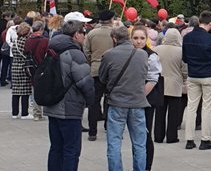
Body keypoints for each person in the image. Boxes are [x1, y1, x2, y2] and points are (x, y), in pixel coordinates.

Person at [44, 20, 94, 171]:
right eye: (83, 33)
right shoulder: (75, 54)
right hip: (69, 108)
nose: (85, 36)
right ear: (76, 34)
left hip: (52, 104)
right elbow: (85, 82)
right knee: (71, 150)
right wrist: (90, 101)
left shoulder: (52, 48)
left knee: (56, 148)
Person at [99, 26, 150, 171]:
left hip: (117, 103)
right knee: (140, 144)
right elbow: (144, 75)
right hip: (137, 103)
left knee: (114, 143)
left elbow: (102, 78)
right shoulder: (142, 55)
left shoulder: (109, 54)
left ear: (114, 38)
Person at [182, 10, 211, 150]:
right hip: (209, 75)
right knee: (207, 107)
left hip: (193, 75)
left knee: (191, 107)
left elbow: (184, 58)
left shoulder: (187, 38)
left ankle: (189, 139)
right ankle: (205, 139)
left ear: (199, 21)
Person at [130, 26, 161, 171]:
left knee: (145, 134)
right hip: (132, 99)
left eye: (142, 38)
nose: (139, 41)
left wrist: (139, 97)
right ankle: (138, 165)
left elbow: (153, 79)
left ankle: (146, 167)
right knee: (135, 136)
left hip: (146, 99)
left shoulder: (152, 56)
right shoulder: (129, 53)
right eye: (135, 38)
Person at [83, 9, 115, 141]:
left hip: (95, 68)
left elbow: (86, 50)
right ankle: (109, 126)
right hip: (111, 69)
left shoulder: (92, 33)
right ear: (111, 19)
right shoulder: (114, 33)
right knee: (111, 99)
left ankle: (92, 131)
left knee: (94, 101)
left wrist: (92, 60)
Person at [154, 28, 186, 143]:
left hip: (160, 84)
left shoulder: (156, 49)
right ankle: (172, 137)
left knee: (159, 113)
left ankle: (158, 136)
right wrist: (185, 79)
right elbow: (184, 69)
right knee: (173, 114)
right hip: (175, 84)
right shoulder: (181, 51)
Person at [24, 21, 49, 121]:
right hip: (42, 67)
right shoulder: (45, 41)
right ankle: (42, 112)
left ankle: (36, 113)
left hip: (31, 67)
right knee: (44, 90)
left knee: (34, 90)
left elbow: (25, 52)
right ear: (41, 29)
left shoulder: (28, 40)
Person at [11, 22, 32, 119]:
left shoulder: (15, 40)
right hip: (23, 66)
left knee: (16, 91)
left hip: (15, 66)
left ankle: (14, 113)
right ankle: (24, 113)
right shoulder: (25, 41)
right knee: (25, 91)